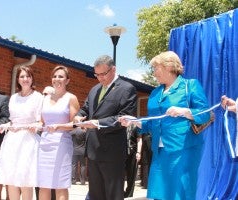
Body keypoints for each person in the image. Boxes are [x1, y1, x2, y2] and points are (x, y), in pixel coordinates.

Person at [119, 51, 210, 200]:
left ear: (169, 67)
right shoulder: (155, 93)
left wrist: (184, 111)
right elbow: (153, 121)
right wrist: (133, 121)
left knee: (181, 192)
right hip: (159, 150)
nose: (154, 72)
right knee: (159, 193)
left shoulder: (190, 85)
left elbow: (205, 114)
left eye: (156, 68)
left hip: (184, 149)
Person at [74, 55, 138, 200]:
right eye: (97, 75)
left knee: (112, 194)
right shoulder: (94, 89)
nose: (100, 78)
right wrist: (79, 115)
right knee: (96, 194)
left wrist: (98, 123)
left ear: (113, 69)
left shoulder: (127, 89)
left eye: (103, 74)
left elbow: (124, 117)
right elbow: (85, 109)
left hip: (112, 152)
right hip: (92, 150)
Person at [0, 66, 43, 200]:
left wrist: (35, 126)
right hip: (12, 140)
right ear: (18, 79)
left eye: (28, 76)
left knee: (26, 179)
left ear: (32, 78)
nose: (25, 79)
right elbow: (12, 120)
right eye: (22, 76)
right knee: (11, 179)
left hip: (28, 141)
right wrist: (5, 125)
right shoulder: (13, 97)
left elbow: (40, 122)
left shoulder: (38, 97)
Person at [38, 65, 80, 200]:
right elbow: (42, 121)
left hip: (61, 145)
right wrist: (37, 125)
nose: (57, 79)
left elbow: (75, 124)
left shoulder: (71, 98)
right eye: (54, 76)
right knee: (43, 184)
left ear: (67, 80)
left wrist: (59, 126)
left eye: (61, 76)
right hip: (44, 144)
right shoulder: (44, 98)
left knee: (60, 184)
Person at [35, 85, 56, 200]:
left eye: (48, 94)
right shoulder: (37, 112)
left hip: (51, 152)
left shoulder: (56, 112)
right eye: (44, 94)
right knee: (39, 182)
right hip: (37, 152)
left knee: (51, 182)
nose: (45, 96)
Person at [124, 125, 139, 198]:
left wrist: (138, 152)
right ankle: (120, 191)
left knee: (131, 173)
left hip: (132, 152)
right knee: (120, 173)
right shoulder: (122, 125)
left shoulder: (135, 126)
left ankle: (129, 193)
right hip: (122, 152)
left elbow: (139, 140)